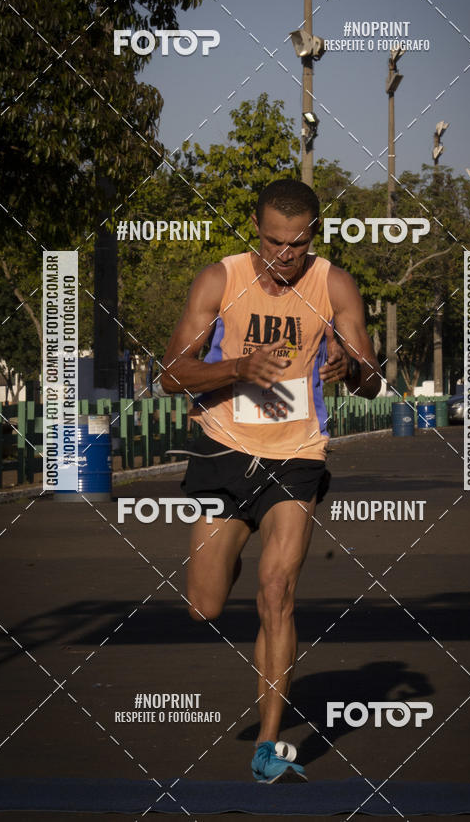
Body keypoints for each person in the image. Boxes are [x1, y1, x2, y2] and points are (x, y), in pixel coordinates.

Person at [161, 178, 381, 782]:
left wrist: (348, 367)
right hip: (225, 449)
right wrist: (235, 366)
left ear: (313, 234)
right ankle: (228, 545)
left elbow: (371, 378)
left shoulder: (333, 283)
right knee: (205, 605)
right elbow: (169, 376)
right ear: (254, 230)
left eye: (296, 244)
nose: (284, 255)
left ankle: (268, 742)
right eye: (273, 242)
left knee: (277, 589)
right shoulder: (220, 279)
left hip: (297, 455)